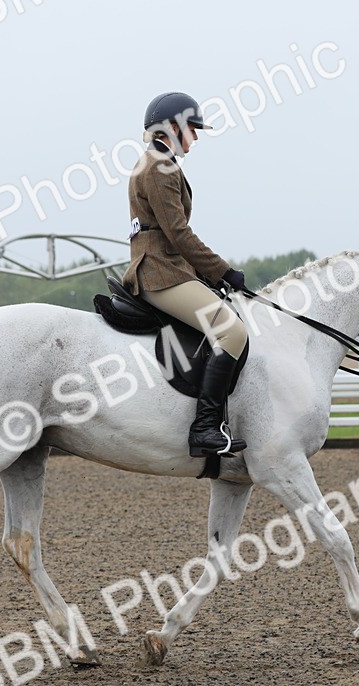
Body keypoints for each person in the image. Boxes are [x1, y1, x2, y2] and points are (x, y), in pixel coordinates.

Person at [121, 91, 248, 458]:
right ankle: (205, 428)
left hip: (170, 267)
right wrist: (223, 271)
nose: (196, 136)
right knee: (232, 330)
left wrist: (207, 277)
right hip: (160, 272)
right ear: (172, 127)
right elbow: (177, 233)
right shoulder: (160, 167)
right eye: (193, 128)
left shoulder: (158, 162)